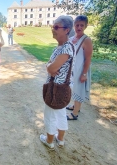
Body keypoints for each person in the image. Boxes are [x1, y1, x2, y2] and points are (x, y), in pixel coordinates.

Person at [39, 16, 75, 150]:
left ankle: (49, 141)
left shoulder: (66, 48)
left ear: (66, 30)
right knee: (60, 113)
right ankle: (60, 139)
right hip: (60, 87)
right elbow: (50, 66)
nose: (52, 30)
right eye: (52, 26)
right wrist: (49, 66)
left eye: (56, 27)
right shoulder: (61, 47)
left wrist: (49, 67)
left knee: (50, 114)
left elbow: (52, 68)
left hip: (56, 88)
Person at [66, 15, 93, 120]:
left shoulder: (87, 40)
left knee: (79, 90)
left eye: (82, 25)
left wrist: (84, 74)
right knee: (74, 88)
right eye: (77, 25)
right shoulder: (72, 38)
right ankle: (75, 106)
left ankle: (75, 113)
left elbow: (88, 59)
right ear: (74, 26)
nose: (79, 27)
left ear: (85, 26)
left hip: (81, 69)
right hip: (73, 69)